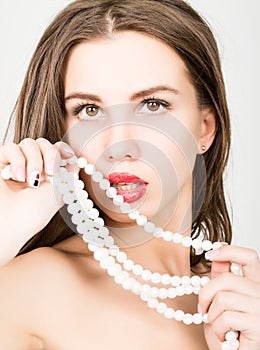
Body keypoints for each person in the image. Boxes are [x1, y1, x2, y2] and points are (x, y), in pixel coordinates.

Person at [0, 0, 259, 349]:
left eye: (153, 105)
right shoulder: (29, 289)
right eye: (89, 110)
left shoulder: (240, 307)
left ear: (205, 128)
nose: (118, 145)